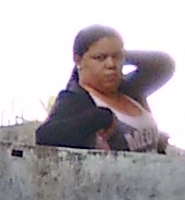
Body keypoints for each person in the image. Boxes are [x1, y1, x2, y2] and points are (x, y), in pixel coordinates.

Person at [36, 25, 173, 153]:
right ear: (78, 60)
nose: (111, 64)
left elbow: (164, 64)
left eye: (117, 57)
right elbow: (44, 136)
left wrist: (117, 52)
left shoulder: (130, 90)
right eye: (100, 58)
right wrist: (99, 117)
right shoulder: (75, 98)